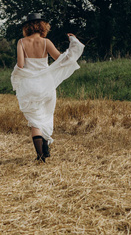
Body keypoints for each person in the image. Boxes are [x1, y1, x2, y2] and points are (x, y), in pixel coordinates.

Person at [11, 13, 85, 162]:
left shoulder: (21, 42)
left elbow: (20, 65)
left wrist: (18, 76)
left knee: (34, 120)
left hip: (29, 85)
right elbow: (61, 59)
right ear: (42, 26)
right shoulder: (46, 42)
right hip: (46, 84)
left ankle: (40, 156)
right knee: (46, 115)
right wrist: (73, 43)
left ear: (27, 27)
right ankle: (45, 148)